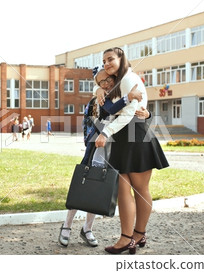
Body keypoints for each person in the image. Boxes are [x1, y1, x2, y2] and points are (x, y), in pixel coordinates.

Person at [59, 68, 148, 248]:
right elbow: (109, 110)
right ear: (97, 85)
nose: (106, 84)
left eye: (108, 79)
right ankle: (66, 225)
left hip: (114, 147)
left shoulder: (118, 90)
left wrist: (146, 113)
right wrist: (128, 97)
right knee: (83, 183)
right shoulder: (98, 98)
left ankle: (87, 228)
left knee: (99, 187)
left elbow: (130, 113)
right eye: (101, 82)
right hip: (97, 145)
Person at [95, 47, 169, 255]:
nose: (106, 63)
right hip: (121, 138)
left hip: (136, 136)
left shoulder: (129, 78)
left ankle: (138, 233)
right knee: (122, 189)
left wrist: (105, 133)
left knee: (140, 189)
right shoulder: (113, 81)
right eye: (104, 61)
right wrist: (98, 90)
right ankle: (126, 237)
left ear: (121, 59)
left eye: (110, 59)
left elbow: (129, 114)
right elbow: (102, 92)